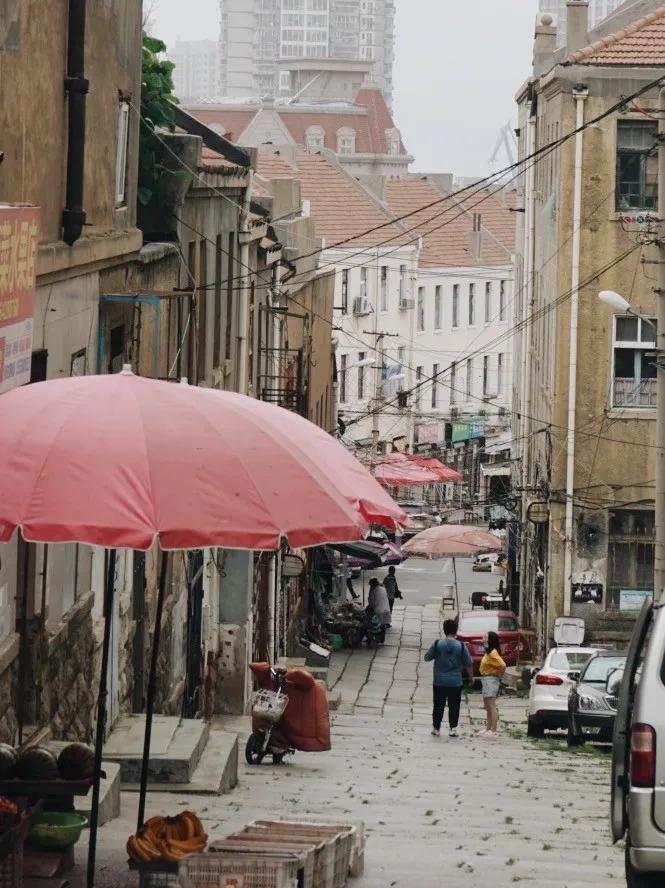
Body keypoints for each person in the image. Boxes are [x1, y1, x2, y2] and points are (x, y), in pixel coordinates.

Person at [424, 618, 473, 738]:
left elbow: (427, 658)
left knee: (438, 705)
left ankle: (436, 728)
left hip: (439, 681)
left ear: (444, 630)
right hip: (455, 682)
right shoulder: (461, 646)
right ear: (456, 631)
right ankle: (453, 728)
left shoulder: (437, 644)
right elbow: (468, 663)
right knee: (454, 705)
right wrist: (471, 678)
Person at [479, 630, 506, 737]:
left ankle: (493, 730)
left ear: (490, 640)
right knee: (487, 705)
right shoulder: (488, 652)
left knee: (491, 705)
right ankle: (488, 728)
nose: (483, 639)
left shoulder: (493, 652)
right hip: (486, 679)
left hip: (490, 680)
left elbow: (503, 665)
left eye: (485, 637)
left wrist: (496, 673)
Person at [367, 578, 391, 642]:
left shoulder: (374, 591)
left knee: (374, 623)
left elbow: (371, 604)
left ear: (372, 585)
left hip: (379, 611)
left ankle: (375, 638)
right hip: (387, 610)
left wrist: (370, 591)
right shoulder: (383, 588)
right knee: (383, 625)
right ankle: (382, 639)